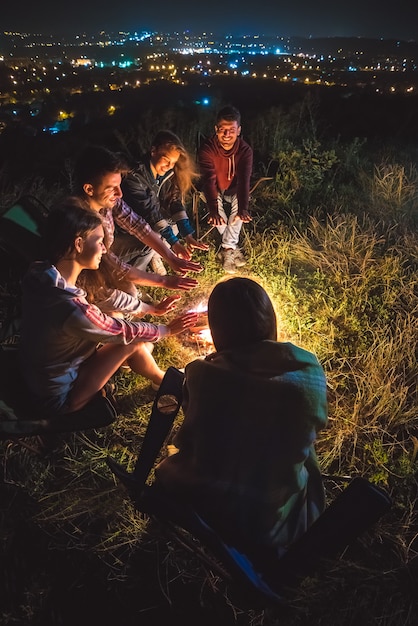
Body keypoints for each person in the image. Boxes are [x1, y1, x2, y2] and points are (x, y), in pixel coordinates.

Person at [155, 277, 328, 566]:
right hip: (270, 520)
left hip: (202, 502)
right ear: (270, 319)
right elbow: (312, 429)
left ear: (217, 329)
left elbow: (192, 432)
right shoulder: (308, 370)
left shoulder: (200, 374)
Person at [19, 204, 199, 415]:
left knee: (119, 321)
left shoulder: (43, 274)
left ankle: (136, 364)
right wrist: (166, 330)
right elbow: (124, 332)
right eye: (99, 241)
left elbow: (106, 298)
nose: (104, 248)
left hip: (36, 374)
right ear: (78, 244)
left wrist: (149, 309)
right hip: (55, 398)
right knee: (135, 344)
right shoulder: (70, 308)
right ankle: (169, 382)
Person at [118, 130, 209, 274]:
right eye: (166, 159)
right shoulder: (135, 177)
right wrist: (175, 244)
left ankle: (155, 256)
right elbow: (150, 213)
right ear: (153, 151)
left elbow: (174, 201)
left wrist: (188, 236)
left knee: (172, 225)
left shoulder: (167, 174)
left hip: (146, 222)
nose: (169, 166)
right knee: (152, 237)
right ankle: (134, 276)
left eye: (173, 162)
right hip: (127, 230)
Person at [197, 105, 253, 274]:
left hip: (235, 190)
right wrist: (213, 210)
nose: (227, 135)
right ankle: (230, 249)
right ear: (216, 129)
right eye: (223, 130)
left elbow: (244, 181)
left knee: (240, 206)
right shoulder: (208, 149)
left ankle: (227, 248)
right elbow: (209, 181)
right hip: (214, 189)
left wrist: (243, 208)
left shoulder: (245, 151)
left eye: (231, 130)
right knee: (215, 204)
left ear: (239, 130)